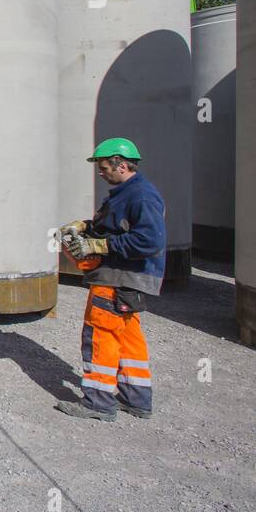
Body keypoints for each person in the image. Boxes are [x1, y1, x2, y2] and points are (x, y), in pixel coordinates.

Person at [58, 137, 165, 422]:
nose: (100, 172)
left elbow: (150, 240)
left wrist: (100, 246)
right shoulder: (126, 192)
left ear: (120, 163)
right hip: (128, 280)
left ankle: (98, 402)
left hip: (118, 278)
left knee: (100, 335)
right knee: (128, 338)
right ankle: (136, 399)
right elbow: (115, 226)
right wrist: (87, 226)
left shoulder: (141, 195)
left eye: (103, 166)